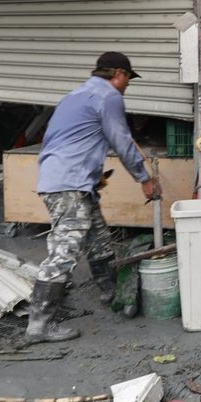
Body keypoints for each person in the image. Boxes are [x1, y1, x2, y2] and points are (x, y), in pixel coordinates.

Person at [30, 52, 161, 343]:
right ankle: (40, 324)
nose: (128, 85)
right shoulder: (108, 96)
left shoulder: (76, 95)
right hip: (69, 183)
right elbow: (121, 140)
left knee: (99, 239)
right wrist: (145, 179)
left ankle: (111, 292)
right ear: (118, 74)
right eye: (128, 78)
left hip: (66, 179)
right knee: (65, 250)